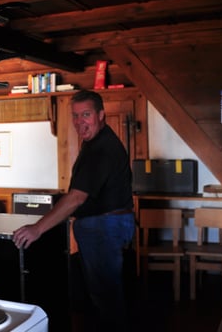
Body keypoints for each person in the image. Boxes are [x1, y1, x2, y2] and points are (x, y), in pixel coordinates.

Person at [13, 89, 135, 331]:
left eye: (86, 114)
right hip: (105, 226)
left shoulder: (101, 149)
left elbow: (77, 197)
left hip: (103, 228)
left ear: (101, 115)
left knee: (106, 298)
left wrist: (37, 228)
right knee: (104, 295)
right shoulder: (96, 143)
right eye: (76, 116)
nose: (80, 122)